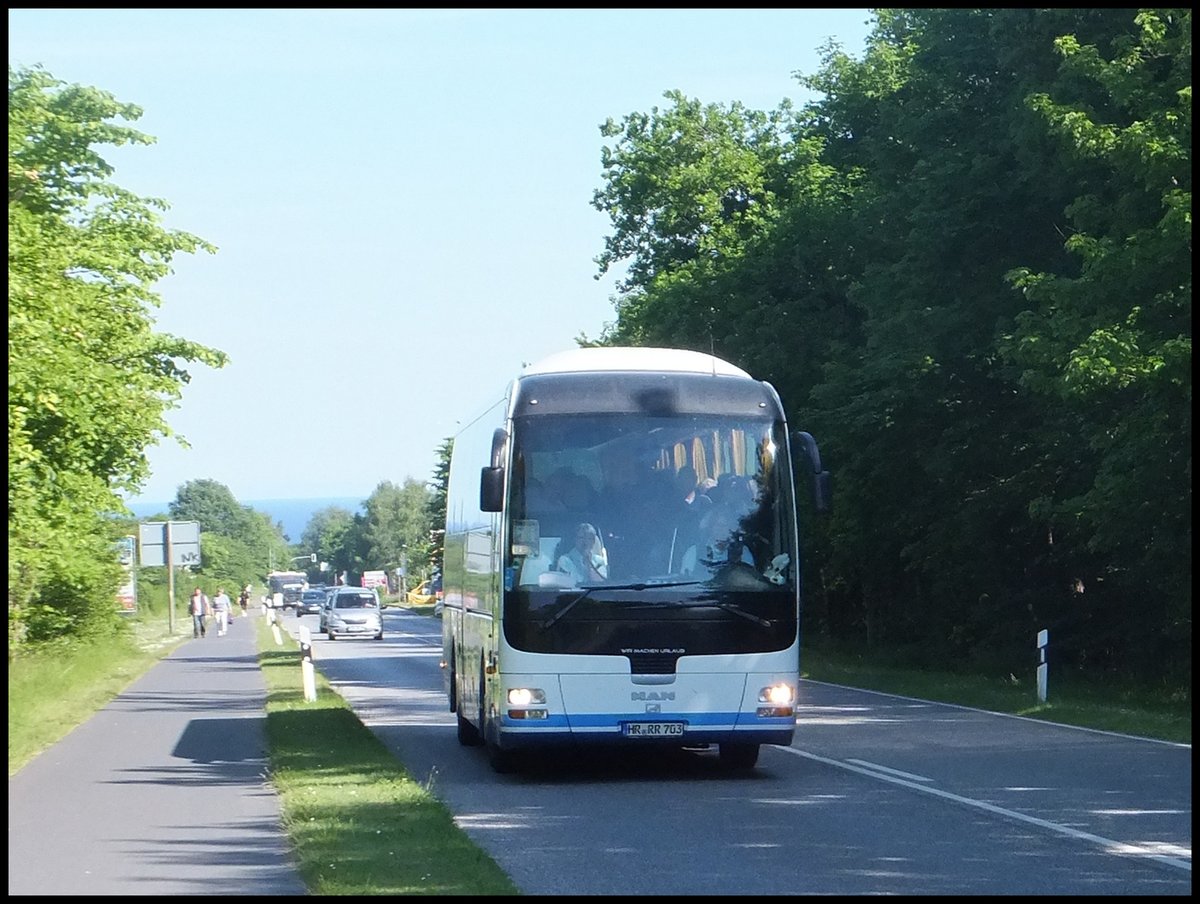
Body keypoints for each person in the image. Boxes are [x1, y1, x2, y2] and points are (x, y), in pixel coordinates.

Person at [680, 505, 755, 576]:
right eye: (717, 525)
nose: (720, 530)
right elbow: (684, 582)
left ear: (731, 529)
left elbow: (751, 580)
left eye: (724, 525)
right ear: (711, 528)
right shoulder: (694, 552)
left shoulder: (742, 552)